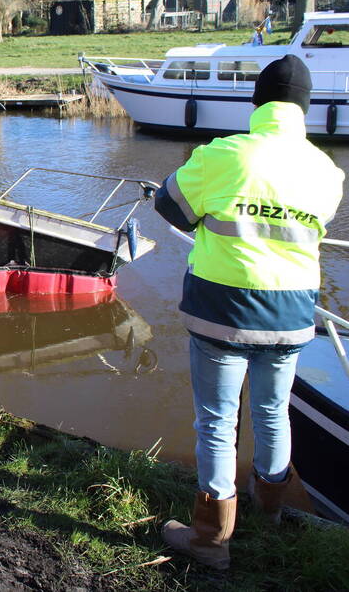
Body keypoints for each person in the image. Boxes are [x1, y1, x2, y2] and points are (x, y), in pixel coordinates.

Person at [153, 54, 344, 570]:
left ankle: (211, 540)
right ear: (304, 109)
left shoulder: (225, 154)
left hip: (223, 309)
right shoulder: (327, 171)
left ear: (256, 103)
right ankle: (272, 512)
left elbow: (169, 206)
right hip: (292, 314)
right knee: (273, 412)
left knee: (217, 421)